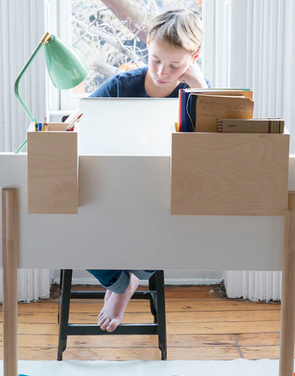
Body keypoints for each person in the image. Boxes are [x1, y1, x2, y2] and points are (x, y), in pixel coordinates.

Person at [87, 8, 209, 333]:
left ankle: (129, 277)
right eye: (155, 59)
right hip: (110, 192)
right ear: (148, 46)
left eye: (175, 65)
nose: (162, 72)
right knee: (63, 218)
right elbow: (78, 125)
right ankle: (118, 282)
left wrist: (199, 88)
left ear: (194, 58)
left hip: (165, 200)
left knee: (166, 231)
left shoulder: (198, 94)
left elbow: (213, 154)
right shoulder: (120, 86)